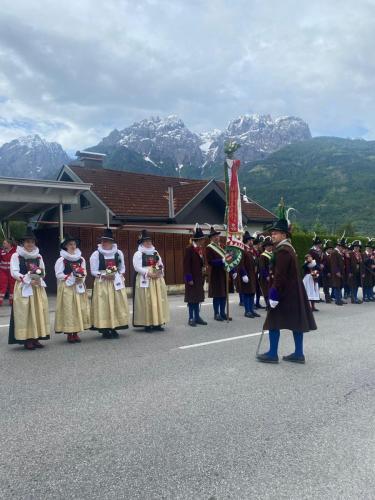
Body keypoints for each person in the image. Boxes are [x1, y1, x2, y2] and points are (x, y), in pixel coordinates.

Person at [257, 200, 317, 364]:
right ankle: (298, 353)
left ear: (284, 235)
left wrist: (274, 294)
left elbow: (280, 275)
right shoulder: (288, 248)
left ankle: (272, 354)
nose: (273, 235)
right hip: (293, 292)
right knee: (296, 322)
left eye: (276, 233)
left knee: (273, 321)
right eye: (272, 233)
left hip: (284, 293)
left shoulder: (283, 251)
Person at [8, 227, 50, 350]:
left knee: (37, 311)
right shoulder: (16, 256)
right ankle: (27, 339)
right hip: (23, 287)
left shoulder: (38, 256)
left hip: (36, 287)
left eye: (32, 242)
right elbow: (14, 272)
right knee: (25, 313)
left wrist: (38, 278)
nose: (30, 244)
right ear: (23, 243)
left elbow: (43, 271)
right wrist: (27, 278)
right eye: (27, 242)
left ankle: (36, 337)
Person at [90, 228, 129, 339]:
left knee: (116, 303)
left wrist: (120, 275)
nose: (104, 243)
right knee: (104, 305)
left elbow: (122, 268)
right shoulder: (96, 254)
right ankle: (105, 329)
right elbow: (93, 271)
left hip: (115, 281)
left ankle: (115, 327)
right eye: (103, 241)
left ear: (112, 242)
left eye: (106, 241)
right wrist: (104, 276)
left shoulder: (118, 253)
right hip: (103, 282)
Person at [54, 235, 91, 343]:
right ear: (66, 246)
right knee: (69, 309)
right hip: (67, 287)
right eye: (70, 244)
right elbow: (58, 274)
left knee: (79, 308)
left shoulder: (81, 259)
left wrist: (81, 278)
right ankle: (70, 333)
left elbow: (84, 271)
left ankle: (76, 332)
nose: (73, 246)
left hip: (78, 285)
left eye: (74, 244)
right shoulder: (62, 260)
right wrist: (70, 277)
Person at [132, 230, 169, 332]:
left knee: (157, 300)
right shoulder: (138, 254)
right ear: (142, 242)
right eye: (146, 241)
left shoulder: (155, 252)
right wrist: (149, 273)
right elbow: (137, 267)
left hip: (156, 280)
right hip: (145, 279)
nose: (148, 243)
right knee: (147, 301)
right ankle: (147, 324)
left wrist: (159, 271)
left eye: (149, 241)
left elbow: (160, 264)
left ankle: (158, 323)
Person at [183, 224, 207, 327]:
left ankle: (197, 317)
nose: (204, 241)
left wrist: (204, 269)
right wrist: (189, 278)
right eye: (202, 239)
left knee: (197, 298)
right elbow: (186, 265)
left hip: (199, 278)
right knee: (192, 299)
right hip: (192, 278)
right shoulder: (189, 249)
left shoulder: (200, 249)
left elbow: (201, 262)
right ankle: (191, 318)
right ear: (198, 240)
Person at [206, 226, 227, 321]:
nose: (217, 237)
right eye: (214, 236)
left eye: (217, 236)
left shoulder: (221, 247)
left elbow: (227, 260)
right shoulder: (209, 248)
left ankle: (223, 313)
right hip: (215, 273)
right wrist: (221, 261)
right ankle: (216, 314)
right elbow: (210, 261)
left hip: (223, 273)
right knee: (217, 295)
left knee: (224, 294)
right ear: (211, 238)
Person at [237, 231, 260, 318]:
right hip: (246, 275)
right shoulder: (243, 250)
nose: (252, 241)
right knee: (247, 293)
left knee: (252, 292)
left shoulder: (252, 250)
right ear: (247, 241)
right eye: (250, 240)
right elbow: (241, 263)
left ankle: (251, 310)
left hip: (253, 274)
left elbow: (256, 261)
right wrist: (243, 274)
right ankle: (247, 311)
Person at [330, 236, 347, 306]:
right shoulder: (334, 252)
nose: (343, 248)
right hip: (337, 273)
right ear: (338, 246)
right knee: (337, 286)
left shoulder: (339, 253)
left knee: (340, 286)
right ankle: (337, 300)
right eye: (342, 247)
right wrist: (337, 272)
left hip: (340, 272)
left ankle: (339, 298)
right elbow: (333, 264)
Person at [0, 237, 16, 306]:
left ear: (9, 244)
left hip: (11, 271)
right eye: (3, 243)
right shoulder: (1, 251)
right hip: (3, 271)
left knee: (12, 286)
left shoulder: (15, 251)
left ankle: (12, 301)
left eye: (5, 243)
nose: (3, 245)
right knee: (2, 285)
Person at [258, 236, 273, 308]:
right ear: (265, 247)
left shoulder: (273, 254)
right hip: (265, 276)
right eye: (269, 246)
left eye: (271, 246)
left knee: (272, 290)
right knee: (266, 291)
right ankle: (268, 305)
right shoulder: (262, 256)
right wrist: (266, 275)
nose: (270, 247)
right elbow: (262, 267)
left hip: (272, 275)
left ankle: (271, 304)